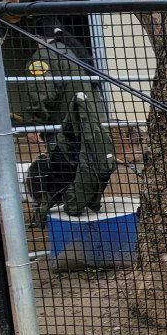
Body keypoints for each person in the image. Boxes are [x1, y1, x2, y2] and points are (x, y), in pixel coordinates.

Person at [23, 27, 116, 220]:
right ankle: (86, 204)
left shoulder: (43, 56)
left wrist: (34, 125)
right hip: (91, 121)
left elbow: (40, 94)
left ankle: (71, 210)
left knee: (65, 168)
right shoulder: (73, 51)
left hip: (66, 125)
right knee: (90, 165)